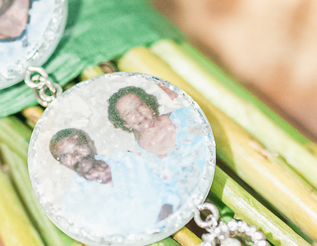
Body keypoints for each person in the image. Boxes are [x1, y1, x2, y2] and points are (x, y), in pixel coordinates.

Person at [49, 128, 178, 235]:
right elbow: (97, 234)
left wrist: (169, 207)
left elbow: (169, 181)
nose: (76, 156)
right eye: (65, 156)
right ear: (62, 164)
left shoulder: (128, 159)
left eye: (79, 147)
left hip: (176, 223)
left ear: (91, 144)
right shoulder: (72, 199)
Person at [106, 85, 209, 200]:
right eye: (128, 114)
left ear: (149, 105)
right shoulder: (140, 160)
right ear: (126, 124)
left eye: (139, 106)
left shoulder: (186, 115)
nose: (137, 114)